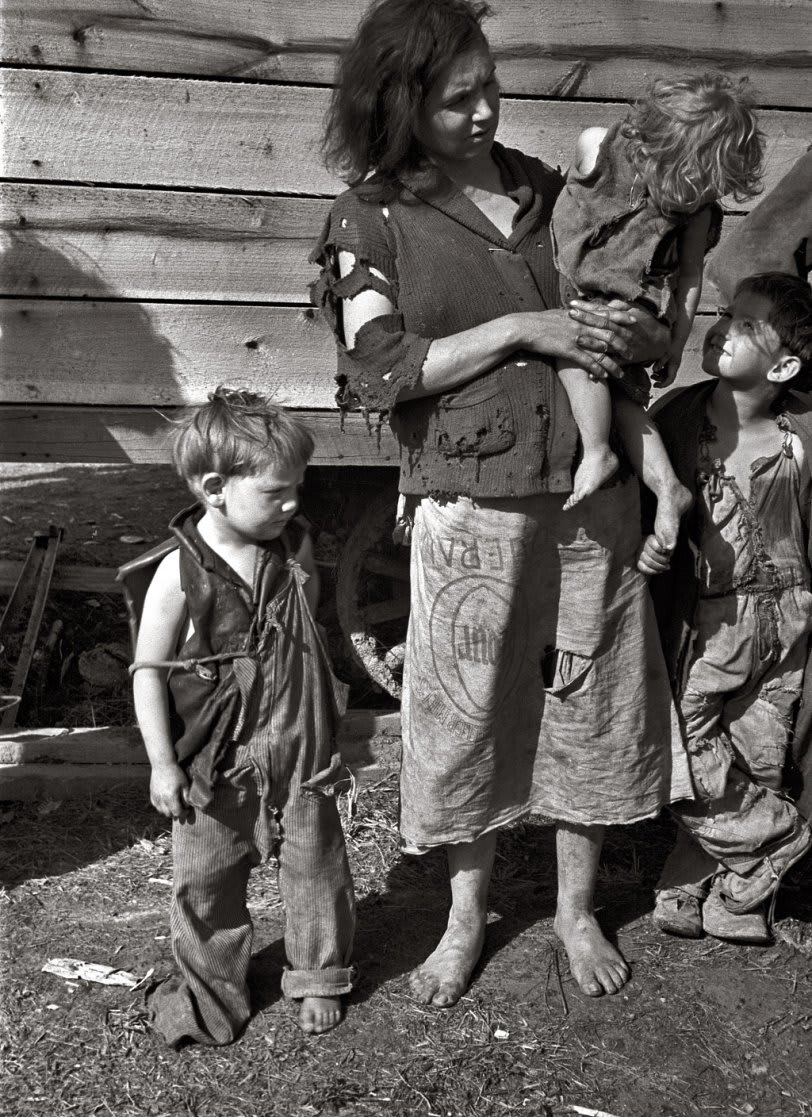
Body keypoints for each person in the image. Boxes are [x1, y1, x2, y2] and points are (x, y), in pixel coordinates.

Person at [311, 0, 691, 1005]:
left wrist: (638, 323)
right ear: (398, 105)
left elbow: (621, 315)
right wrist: (526, 327)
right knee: (464, 713)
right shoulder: (371, 217)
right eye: (455, 99)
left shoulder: (547, 190)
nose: (484, 111)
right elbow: (375, 369)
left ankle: (571, 909)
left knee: (591, 698)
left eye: (489, 86)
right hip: (464, 498)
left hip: (583, 487)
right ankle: (463, 916)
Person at [121, 387, 356, 1045]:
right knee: (205, 885)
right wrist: (163, 763)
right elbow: (148, 673)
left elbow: (304, 634)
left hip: (298, 747)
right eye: (278, 491)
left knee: (317, 869)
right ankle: (211, 991)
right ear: (216, 487)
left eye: (297, 489)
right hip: (217, 759)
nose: (293, 503)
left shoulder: (291, 548)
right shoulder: (178, 573)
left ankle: (318, 974)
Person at [637, 274, 812, 943]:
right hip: (714, 620)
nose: (720, 325)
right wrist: (650, 553)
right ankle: (781, 839)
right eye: (722, 312)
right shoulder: (680, 419)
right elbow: (649, 509)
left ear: (785, 366)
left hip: (788, 616)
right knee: (681, 747)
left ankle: (729, 893)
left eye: (743, 323)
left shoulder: (800, 432)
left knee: (759, 748)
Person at [551, 73, 764, 516]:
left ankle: (597, 452)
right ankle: (668, 487)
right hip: (568, 281)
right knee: (622, 397)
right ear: (661, 150)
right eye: (698, 185)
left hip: (624, 301)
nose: (703, 199)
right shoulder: (598, 146)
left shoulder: (698, 213)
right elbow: (571, 201)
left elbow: (687, 278)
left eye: (713, 192)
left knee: (582, 354)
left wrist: (675, 338)